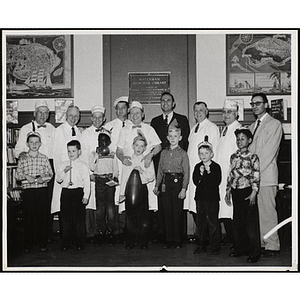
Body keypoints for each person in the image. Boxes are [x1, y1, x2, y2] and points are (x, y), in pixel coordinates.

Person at [150, 92, 190, 242]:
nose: (165, 103)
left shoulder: (182, 119)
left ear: (173, 103)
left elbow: (185, 142)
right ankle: (164, 235)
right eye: (163, 101)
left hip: (178, 167)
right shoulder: (155, 121)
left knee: (177, 207)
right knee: (164, 205)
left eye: (168, 101)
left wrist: (178, 159)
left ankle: (179, 237)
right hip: (162, 165)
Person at [14, 100, 56, 243]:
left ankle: (46, 236)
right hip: (31, 168)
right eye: (40, 112)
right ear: (34, 113)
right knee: (31, 208)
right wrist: (24, 156)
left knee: (47, 204)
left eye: (46, 113)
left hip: (48, 166)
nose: (43, 116)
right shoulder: (25, 128)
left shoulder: (52, 128)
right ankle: (31, 238)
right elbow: (18, 150)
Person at [248, 93, 283, 257]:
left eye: (258, 103)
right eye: (253, 104)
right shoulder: (252, 126)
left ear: (266, 104)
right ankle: (263, 243)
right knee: (258, 213)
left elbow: (268, 153)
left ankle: (272, 245)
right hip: (254, 177)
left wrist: (253, 172)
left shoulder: (274, 124)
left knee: (268, 212)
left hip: (266, 176)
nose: (255, 106)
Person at [116, 101, 162, 216]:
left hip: (145, 169)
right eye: (132, 113)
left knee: (145, 206)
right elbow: (119, 150)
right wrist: (123, 158)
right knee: (129, 206)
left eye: (137, 113)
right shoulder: (124, 130)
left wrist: (149, 155)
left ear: (142, 114)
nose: (134, 115)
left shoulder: (149, 129)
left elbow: (158, 146)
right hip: (129, 168)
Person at [225, 127, 260, 263]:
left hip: (248, 191)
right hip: (236, 191)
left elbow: (256, 175)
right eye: (238, 139)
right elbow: (231, 174)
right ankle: (241, 248)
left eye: (242, 139)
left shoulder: (253, 157)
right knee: (238, 222)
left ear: (249, 140)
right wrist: (228, 190)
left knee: (250, 224)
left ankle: (254, 252)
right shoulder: (233, 156)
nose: (239, 141)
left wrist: (254, 192)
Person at [15, 132, 53, 253]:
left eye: (37, 142)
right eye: (31, 142)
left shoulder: (44, 158)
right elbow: (17, 175)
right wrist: (26, 177)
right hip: (28, 192)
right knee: (29, 217)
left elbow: (50, 174)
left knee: (42, 217)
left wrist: (44, 178)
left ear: (40, 144)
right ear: (27, 144)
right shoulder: (23, 158)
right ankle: (28, 243)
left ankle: (42, 243)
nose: (34, 144)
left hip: (41, 190)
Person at [184, 102, 219, 222]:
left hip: (205, 175)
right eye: (196, 110)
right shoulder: (194, 128)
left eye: (201, 110)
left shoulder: (211, 127)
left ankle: (207, 238)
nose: (198, 113)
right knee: (195, 205)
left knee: (206, 208)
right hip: (193, 172)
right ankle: (201, 235)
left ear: (207, 112)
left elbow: (213, 152)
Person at [119, 132, 155, 250]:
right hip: (130, 191)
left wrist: (141, 171)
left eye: (141, 146)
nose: (139, 148)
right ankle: (131, 240)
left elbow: (151, 176)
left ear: (145, 148)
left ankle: (143, 241)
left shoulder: (147, 160)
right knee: (130, 216)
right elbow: (124, 178)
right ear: (132, 146)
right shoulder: (128, 160)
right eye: (137, 145)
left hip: (142, 189)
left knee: (143, 216)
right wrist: (121, 193)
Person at [214, 100, 242, 246]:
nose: (226, 115)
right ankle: (231, 237)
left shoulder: (238, 130)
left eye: (229, 112)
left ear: (236, 114)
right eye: (224, 112)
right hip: (221, 176)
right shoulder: (224, 129)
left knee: (231, 210)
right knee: (224, 209)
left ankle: (237, 241)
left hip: (231, 176)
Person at [104, 96, 131, 242]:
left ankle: (126, 227)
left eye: (123, 107)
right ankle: (115, 230)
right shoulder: (109, 126)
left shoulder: (132, 124)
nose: (121, 110)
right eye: (118, 108)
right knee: (114, 196)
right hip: (113, 164)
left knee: (127, 193)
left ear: (127, 109)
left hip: (127, 164)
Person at [56, 140, 90, 251]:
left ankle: (80, 242)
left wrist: (86, 196)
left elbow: (87, 182)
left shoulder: (83, 165)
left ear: (79, 152)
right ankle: (66, 241)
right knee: (66, 218)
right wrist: (64, 172)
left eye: (74, 151)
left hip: (78, 192)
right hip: (66, 192)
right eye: (69, 151)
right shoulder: (63, 164)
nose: (71, 153)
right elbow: (58, 179)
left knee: (79, 219)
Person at [81, 105, 107, 244]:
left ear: (104, 119)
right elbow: (84, 156)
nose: (97, 120)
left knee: (101, 202)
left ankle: (101, 231)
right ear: (91, 118)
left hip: (103, 173)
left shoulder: (108, 133)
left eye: (100, 117)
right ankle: (90, 232)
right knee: (90, 202)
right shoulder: (85, 134)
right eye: (95, 117)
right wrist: (88, 174)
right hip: (90, 173)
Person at [89, 130, 119, 246]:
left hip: (109, 181)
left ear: (109, 142)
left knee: (110, 207)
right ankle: (101, 231)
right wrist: (96, 156)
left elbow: (115, 168)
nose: (102, 143)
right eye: (99, 141)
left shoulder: (112, 154)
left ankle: (111, 231)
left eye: (104, 140)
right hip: (99, 181)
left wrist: (115, 177)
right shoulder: (94, 154)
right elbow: (92, 167)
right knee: (100, 208)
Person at [192, 139, 222, 255]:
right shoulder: (197, 166)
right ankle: (201, 244)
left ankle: (215, 246)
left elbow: (216, 181)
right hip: (200, 198)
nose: (203, 156)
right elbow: (195, 181)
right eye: (201, 153)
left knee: (213, 222)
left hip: (212, 199)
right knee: (201, 222)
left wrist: (209, 172)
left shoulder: (216, 167)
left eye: (206, 153)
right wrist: (200, 174)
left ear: (211, 154)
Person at [51, 105, 82, 214]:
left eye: (76, 116)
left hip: (76, 176)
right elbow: (56, 155)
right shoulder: (59, 131)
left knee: (76, 209)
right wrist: (60, 174)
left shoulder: (79, 132)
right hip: (64, 175)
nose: (73, 118)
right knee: (64, 208)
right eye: (70, 115)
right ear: (66, 116)